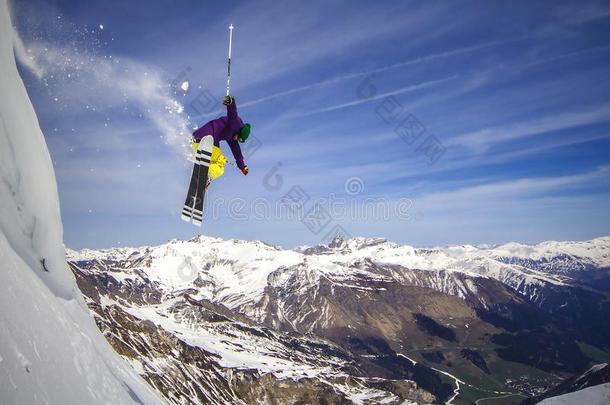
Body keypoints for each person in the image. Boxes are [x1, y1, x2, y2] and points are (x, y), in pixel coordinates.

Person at [191, 95, 251, 183]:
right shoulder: (236, 124)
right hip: (207, 139)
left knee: (217, 166)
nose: (237, 140)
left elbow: (237, 152)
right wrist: (230, 102)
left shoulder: (232, 137)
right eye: (239, 138)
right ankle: (206, 175)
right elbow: (232, 113)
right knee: (220, 161)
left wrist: (242, 167)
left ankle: (204, 179)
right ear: (239, 132)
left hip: (198, 142)